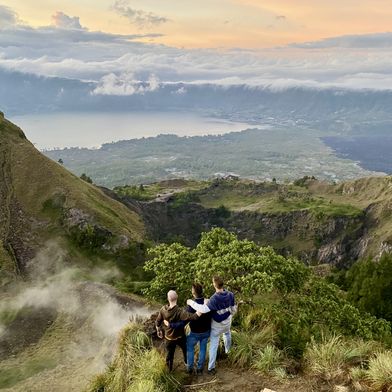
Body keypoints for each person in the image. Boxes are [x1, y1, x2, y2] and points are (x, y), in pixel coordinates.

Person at [187, 276, 236, 375]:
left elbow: (203, 309)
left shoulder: (214, 298)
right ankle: (227, 351)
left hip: (217, 326)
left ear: (214, 284)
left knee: (214, 345)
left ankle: (211, 368)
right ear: (223, 284)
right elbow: (233, 309)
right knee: (227, 334)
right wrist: (227, 314)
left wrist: (191, 302)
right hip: (227, 323)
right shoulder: (230, 294)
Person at [168, 283, 212, 375]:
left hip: (194, 332)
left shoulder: (192, 306)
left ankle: (190, 368)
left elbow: (184, 322)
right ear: (201, 291)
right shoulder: (208, 302)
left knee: (190, 349)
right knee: (203, 349)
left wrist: (172, 325)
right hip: (206, 331)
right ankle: (200, 369)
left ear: (193, 293)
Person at [155, 290, 200, 371]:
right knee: (185, 350)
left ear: (168, 298)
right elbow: (193, 317)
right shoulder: (180, 311)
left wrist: (158, 330)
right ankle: (188, 366)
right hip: (180, 336)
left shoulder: (163, 309)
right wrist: (201, 310)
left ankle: (169, 371)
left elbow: (157, 322)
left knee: (169, 355)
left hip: (169, 338)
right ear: (177, 297)